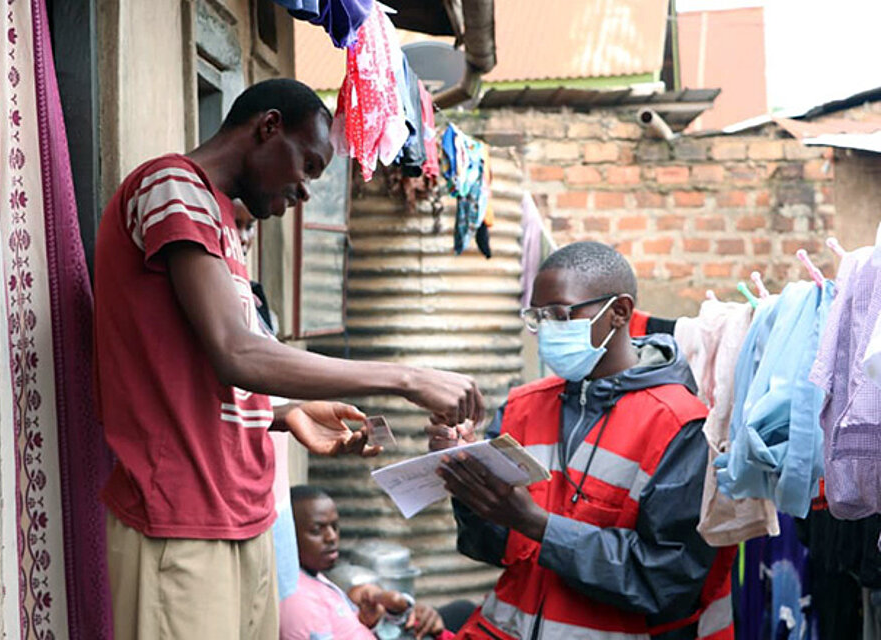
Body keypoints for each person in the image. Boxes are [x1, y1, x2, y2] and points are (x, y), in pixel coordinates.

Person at [94, 78, 484, 640]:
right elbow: (235, 353)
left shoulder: (222, 222)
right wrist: (407, 378)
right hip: (181, 516)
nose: (305, 190)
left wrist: (286, 412)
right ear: (267, 126)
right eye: (308, 164)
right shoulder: (172, 185)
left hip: (244, 515)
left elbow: (196, 366)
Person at [427, 241, 736, 640]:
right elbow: (491, 548)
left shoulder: (680, 424)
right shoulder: (523, 407)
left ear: (619, 312)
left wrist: (534, 522)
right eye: (537, 317)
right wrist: (467, 479)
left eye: (560, 314)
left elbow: (665, 581)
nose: (547, 330)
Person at [281, 485, 453, 640]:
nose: (331, 537)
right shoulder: (298, 602)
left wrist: (370, 621)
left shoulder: (314, 576)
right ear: (290, 534)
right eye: (317, 530)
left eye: (335, 527)